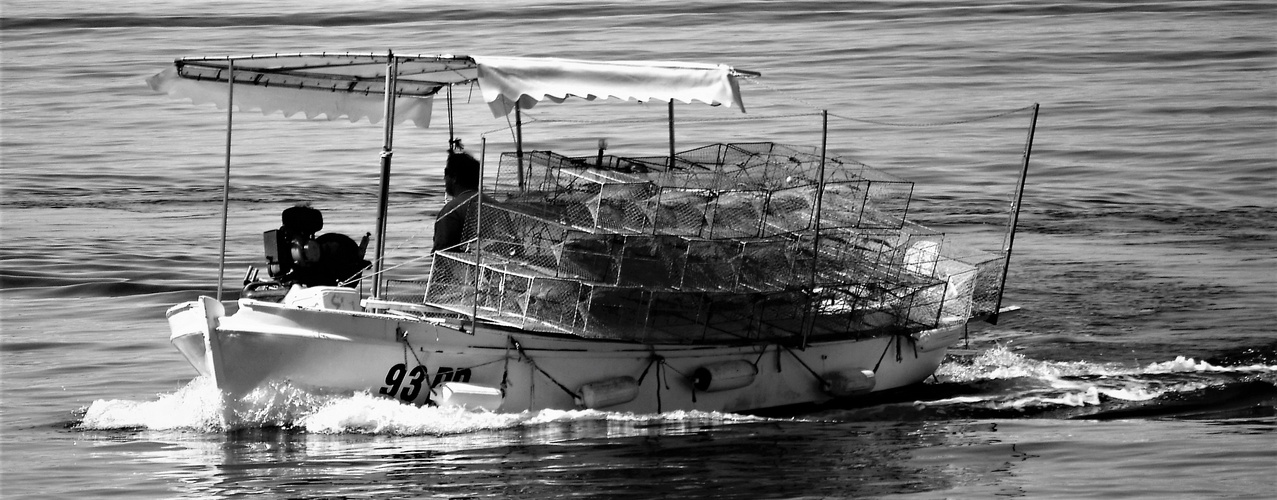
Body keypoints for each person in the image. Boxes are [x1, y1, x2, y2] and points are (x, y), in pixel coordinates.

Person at [432, 151, 482, 252]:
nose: (444, 178)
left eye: (446, 173)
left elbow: (441, 255)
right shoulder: (494, 205)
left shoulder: (451, 211)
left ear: (454, 177)